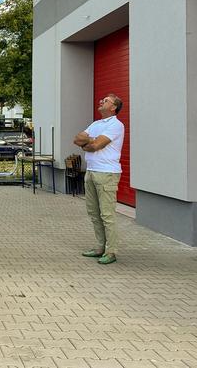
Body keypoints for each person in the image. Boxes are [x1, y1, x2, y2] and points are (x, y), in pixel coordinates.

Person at [73, 93, 124, 265]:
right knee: (94, 213)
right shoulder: (95, 124)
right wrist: (91, 140)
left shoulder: (116, 125)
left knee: (107, 214)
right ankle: (100, 247)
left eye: (107, 101)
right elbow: (77, 139)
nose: (102, 101)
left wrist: (89, 142)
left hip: (107, 173)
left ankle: (111, 251)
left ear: (113, 107)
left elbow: (96, 146)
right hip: (91, 172)